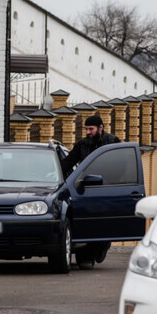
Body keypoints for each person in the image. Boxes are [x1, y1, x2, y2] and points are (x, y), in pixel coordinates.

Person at [61, 115, 121, 270]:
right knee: (86, 223)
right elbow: (68, 162)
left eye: (91, 129)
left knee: (103, 224)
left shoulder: (113, 143)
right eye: (86, 129)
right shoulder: (82, 145)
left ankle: (102, 246)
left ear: (100, 128)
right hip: (86, 190)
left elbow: (122, 166)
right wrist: (53, 173)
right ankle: (85, 258)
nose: (88, 132)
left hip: (106, 190)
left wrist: (113, 182)